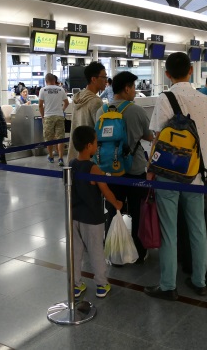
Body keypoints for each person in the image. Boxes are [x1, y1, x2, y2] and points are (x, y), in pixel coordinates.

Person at [144, 52, 207, 300]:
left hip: (168, 175)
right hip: (196, 176)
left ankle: (169, 286)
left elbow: (157, 138)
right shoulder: (206, 100)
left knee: (170, 231)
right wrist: (199, 155)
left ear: (167, 74)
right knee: (198, 229)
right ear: (191, 70)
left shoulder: (165, 98)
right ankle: (199, 281)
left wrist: (150, 170)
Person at [98, 71, 153, 263]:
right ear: (127, 88)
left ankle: (115, 252)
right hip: (135, 168)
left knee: (114, 210)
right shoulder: (135, 110)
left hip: (110, 169)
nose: (135, 92)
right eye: (134, 88)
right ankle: (138, 252)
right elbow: (150, 135)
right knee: (138, 211)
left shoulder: (102, 111)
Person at [70, 126, 123, 299]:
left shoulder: (71, 164)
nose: (96, 145)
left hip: (74, 215)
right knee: (95, 251)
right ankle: (101, 284)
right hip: (92, 218)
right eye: (95, 142)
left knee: (75, 252)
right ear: (88, 146)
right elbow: (105, 190)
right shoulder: (93, 169)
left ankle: (76, 285)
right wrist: (116, 203)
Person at [67, 62, 106, 161]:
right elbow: (100, 129)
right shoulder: (95, 102)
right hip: (90, 154)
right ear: (93, 79)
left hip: (77, 152)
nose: (106, 81)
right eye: (104, 77)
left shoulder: (77, 97)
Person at [38, 73, 69, 165]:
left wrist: (43, 116)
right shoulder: (61, 89)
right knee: (60, 138)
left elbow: (40, 105)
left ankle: (51, 156)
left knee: (49, 138)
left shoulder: (43, 90)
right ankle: (60, 158)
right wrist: (62, 110)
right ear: (54, 80)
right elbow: (66, 103)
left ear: (46, 81)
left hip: (48, 116)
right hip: (59, 116)